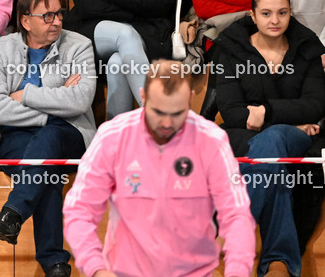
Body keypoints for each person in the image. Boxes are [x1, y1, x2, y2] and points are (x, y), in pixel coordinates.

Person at [63, 59, 256, 277]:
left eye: (177, 114)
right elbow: (80, 210)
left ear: (190, 100)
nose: (166, 123)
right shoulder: (112, 136)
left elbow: (237, 215)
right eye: (158, 112)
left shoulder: (212, 140)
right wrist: (96, 269)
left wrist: (238, 271)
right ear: (143, 96)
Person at [0, 0, 96, 277]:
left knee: (50, 138)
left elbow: (81, 100)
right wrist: (54, 108)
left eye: (59, 14)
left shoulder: (79, 45)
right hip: (16, 138)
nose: (56, 21)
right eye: (47, 16)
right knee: (47, 169)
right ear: (25, 20)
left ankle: (13, 213)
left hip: (69, 133)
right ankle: (55, 263)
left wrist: (26, 95)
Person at [213, 0, 325, 277]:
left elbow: (314, 105)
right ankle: (278, 263)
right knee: (273, 150)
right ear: (252, 14)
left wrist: (265, 113)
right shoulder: (232, 48)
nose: (275, 20)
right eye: (266, 13)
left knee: (274, 139)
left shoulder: (307, 48)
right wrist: (286, 117)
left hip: (295, 137)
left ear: (290, 14)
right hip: (241, 134)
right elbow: (231, 110)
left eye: (282, 13)